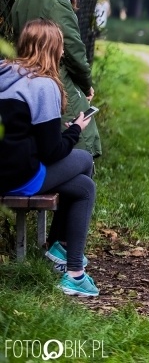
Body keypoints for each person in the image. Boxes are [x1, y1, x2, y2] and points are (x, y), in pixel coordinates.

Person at [0, 19, 99, 297]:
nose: (63, 52)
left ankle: (65, 255)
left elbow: (20, 132)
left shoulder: (4, 72)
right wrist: (75, 130)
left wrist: (60, 135)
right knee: (85, 160)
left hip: (5, 167)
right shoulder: (43, 85)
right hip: (18, 176)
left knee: (84, 187)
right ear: (51, 48)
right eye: (61, 46)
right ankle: (69, 265)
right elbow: (51, 152)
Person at [11, 0, 101, 157]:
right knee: (79, 142)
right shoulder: (57, 3)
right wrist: (86, 84)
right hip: (58, 80)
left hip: (27, 78)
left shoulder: (22, 0)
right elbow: (73, 51)